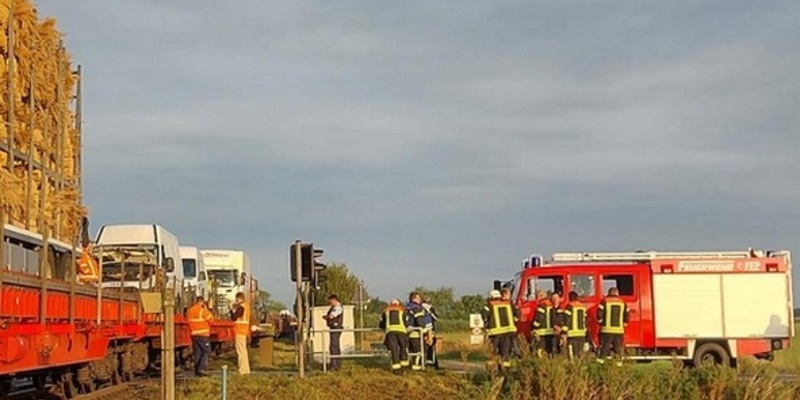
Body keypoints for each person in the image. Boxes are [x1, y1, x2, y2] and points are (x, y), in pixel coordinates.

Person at [482, 290, 517, 370]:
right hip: (507, 332)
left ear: (491, 297)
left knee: (492, 352)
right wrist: (514, 321)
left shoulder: (490, 305)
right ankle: (506, 370)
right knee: (505, 353)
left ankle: (492, 370)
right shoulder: (509, 303)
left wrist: (487, 323)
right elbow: (518, 313)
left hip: (495, 333)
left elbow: (484, 314)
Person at [597, 287, 629, 365]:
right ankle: (619, 364)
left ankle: (600, 363)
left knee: (605, 347)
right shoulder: (623, 302)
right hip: (619, 330)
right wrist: (625, 324)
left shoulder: (604, 301)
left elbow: (599, 314)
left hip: (606, 330)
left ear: (609, 293)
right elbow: (627, 315)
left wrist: (600, 322)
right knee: (618, 348)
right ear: (617, 293)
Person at [379, 298, 410, 371]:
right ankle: (404, 366)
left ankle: (397, 368)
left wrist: (384, 328)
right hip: (402, 332)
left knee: (394, 349)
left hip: (391, 332)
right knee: (403, 348)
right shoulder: (402, 310)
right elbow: (407, 322)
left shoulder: (386, 311)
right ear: (399, 303)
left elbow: (381, 324)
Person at [188, 297, 215, 376]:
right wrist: (208, 309)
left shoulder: (190, 311)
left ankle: (197, 371)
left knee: (197, 353)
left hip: (194, 334)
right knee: (206, 351)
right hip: (203, 335)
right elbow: (212, 320)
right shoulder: (202, 311)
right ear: (202, 302)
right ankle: (202, 369)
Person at [229, 292, 251, 374]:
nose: (236, 301)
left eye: (236, 299)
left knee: (240, 351)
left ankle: (242, 370)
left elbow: (234, 318)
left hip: (239, 330)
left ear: (239, 298)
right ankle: (246, 369)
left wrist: (231, 309)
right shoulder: (247, 306)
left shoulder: (241, 307)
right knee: (243, 351)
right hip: (244, 330)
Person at [561, 291, 587, 360]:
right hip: (581, 334)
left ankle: (573, 365)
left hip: (572, 334)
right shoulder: (582, 306)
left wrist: (563, 332)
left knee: (571, 354)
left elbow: (567, 320)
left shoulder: (569, 306)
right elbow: (585, 320)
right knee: (579, 353)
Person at [405, 292, 427, 370]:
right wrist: (426, 331)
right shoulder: (416, 308)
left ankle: (407, 365)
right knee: (418, 350)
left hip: (405, 333)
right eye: (419, 298)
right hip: (415, 333)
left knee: (408, 350)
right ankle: (416, 366)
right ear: (415, 298)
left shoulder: (405, 308)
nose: (420, 300)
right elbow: (420, 321)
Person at [322, 294, 344, 371]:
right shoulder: (334, 307)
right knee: (333, 346)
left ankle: (335, 365)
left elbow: (332, 316)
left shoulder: (337, 308)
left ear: (334, 300)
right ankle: (334, 364)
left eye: (331, 301)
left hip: (336, 328)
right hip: (333, 328)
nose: (330, 303)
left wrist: (326, 317)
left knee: (334, 346)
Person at [500, 288, 523, 358]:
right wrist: (515, 320)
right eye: (509, 294)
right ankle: (518, 355)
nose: (510, 296)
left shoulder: (497, 304)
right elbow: (518, 312)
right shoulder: (510, 304)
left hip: (501, 329)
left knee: (505, 344)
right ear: (505, 295)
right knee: (513, 342)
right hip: (511, 328)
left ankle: (507, 356)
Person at [531, 290, 554, 357]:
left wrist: (534, 327)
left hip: (543, 331)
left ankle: (540, 359)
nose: (536, 299)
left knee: (540, 348)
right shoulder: (551, 304)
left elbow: (539, 318)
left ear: (541, 296)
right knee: (549, 348)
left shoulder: (542, 305)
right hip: (551, 330)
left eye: (537, 296)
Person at [421, 295, 439, 368]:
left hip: (421, 329)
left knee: (422, 346)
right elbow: (436, 318)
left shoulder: (419, 308)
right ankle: (431, 362)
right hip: (430, 329)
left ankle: (423, 361)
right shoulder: (430, 309)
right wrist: (431, 312)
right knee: (431, 345)